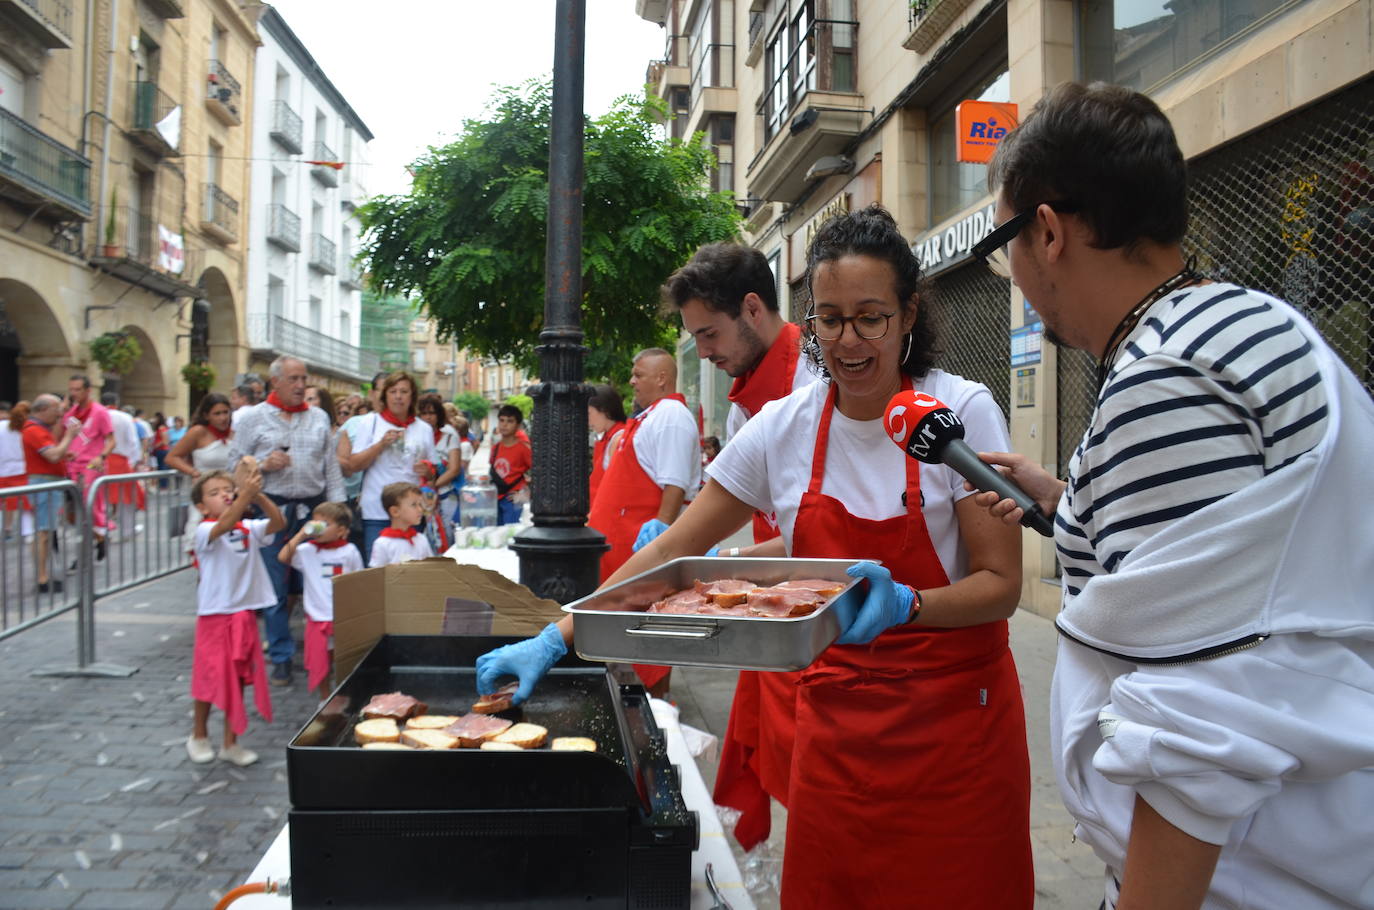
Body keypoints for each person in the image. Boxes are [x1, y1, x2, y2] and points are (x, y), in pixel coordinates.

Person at [479, 205, 1033, 908]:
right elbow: (682, 545)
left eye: (871, 317)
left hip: (958, 734)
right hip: (837, 733)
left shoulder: (958, 411)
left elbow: (1000, 584)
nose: (849, 340)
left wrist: (910, 605)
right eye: (829, 319)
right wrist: (559, 635)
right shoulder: (785, 427)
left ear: (909, 313)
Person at [966, 81, 1374, 910]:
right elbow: (1235, 571)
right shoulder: (1240, 324)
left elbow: (1205, 728)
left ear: (1046, 231)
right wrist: (1070, 499)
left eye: (1004, 241)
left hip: (1251, 879)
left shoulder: (1164, 381)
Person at [658, 242, 824, 850]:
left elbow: (825, 534)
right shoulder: (742, 404)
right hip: (774, 607)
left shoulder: (819, 372)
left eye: (708, 333)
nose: (701, 351)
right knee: (789, 770)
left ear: (752, 308)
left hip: (821, 607)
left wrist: (722, 566)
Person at [228, 356, 346, 687]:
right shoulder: (253, 419)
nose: (299, 385)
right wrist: (263, 465)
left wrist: (338, 511)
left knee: (317, 585)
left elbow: (331, 467)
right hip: (272, 512)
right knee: (276, 587)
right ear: (275, 382)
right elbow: (232, 465)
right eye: (293, 379)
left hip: (314, 511)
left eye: (303, 379)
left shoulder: (320, 417)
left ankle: (321, 654)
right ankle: (281, 657)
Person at [186, 467, 285, 767]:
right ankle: (199, 734)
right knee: (208, 677)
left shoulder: (247, 528)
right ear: (202, 507)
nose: (225, 495)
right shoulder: (204, 530)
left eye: (227, 489)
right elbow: (225, 522)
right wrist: (244, 495)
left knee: (239, 678)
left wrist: (258, 494)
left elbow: (278, 523)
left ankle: (231, 741)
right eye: (214, 494)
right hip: (215, 616)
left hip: (243, 615)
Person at [338, 371, 437, 562]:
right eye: (393, 391)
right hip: (376, 510)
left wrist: (429, 471)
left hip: (411, 511)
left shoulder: (423, 429)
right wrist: (380, 444)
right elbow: (354, 465)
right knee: (378, 576)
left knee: (412, 571)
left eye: (404, 391)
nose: (398, 396)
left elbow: (432, 471)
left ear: (412, 396)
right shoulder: (370, 422)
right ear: (385, 396)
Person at [278, 501, 362, 701]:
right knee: (319, 661)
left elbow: (359, 581)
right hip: (317, 617)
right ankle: (325, 698)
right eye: (315, 521)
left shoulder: (349, 551)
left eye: (325, 523)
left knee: (342, 660)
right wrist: (301, 534)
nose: (318, 526)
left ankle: (343, 695)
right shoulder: (307, 550)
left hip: (342, 616)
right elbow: (283, 556)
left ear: (341, 530)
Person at [21, 395, 77, 593]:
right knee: (43, 532)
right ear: (44, 409)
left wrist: (63, 451)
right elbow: (52, 455)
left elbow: (53, 453)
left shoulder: (37, 429)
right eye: (56, 410)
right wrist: (69, 437)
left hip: (46, 483)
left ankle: (43, 575)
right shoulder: (34, 430)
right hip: (43, 483)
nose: (59, 415)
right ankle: (42, 577)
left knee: (45, 532)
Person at [166, 393, 234, 546]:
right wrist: (193, 472)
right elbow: (172, 457)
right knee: (201, 536)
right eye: (217, 413)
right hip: (205, 493)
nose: (223, 418)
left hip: (229, 494)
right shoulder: (198, 432)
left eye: (225, 412)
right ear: (206, 415)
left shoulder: (233, 433)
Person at [63, 375, 114, 558]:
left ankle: (95, 540)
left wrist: (101, 456)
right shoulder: (70, 414)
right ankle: (100, 537)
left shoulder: (100, 412)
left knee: (89, 505)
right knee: (71, 511)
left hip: (92, 465)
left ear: (88, 390)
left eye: (78, 389)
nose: (74, 393)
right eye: (72, 389)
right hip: (71, 467)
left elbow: (110, 440)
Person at [101, 393, 145, 537]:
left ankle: (103, 529)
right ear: (117, 402)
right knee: (126, 498)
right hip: (121, 462)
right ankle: (128, 530)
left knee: (102, 497)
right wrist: (134, 461)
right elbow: (133, 442)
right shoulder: (125, 417)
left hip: (101, 460)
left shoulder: (98, 416)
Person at [368, 482, 434, 567]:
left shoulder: (421, 539)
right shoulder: (382, 544)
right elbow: (376, 575)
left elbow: (432, 567)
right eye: (414, 505)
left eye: (420, 504)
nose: (420, 509)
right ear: (395, 511)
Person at [489, 404, 531, 526]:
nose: (504, 424)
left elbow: (540, 473)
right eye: (501, 420)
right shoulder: (495, 447)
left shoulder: (523, 448)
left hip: (513, 500)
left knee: (512, 533)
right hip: (496, 498)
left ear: (517, 425)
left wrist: (527, 493)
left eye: (510, 421)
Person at [586, 384, 626, 504]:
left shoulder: (618, 439)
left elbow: (615, 487)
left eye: (589, 413)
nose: (587, 420)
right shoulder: (609, 437)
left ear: (604, 410)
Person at [0, 400, 32, 541]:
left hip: (3, 470)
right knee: (25, 503)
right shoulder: (27, 428)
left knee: (6, 503)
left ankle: (6, 529)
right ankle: (27, 532)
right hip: (22, 469)